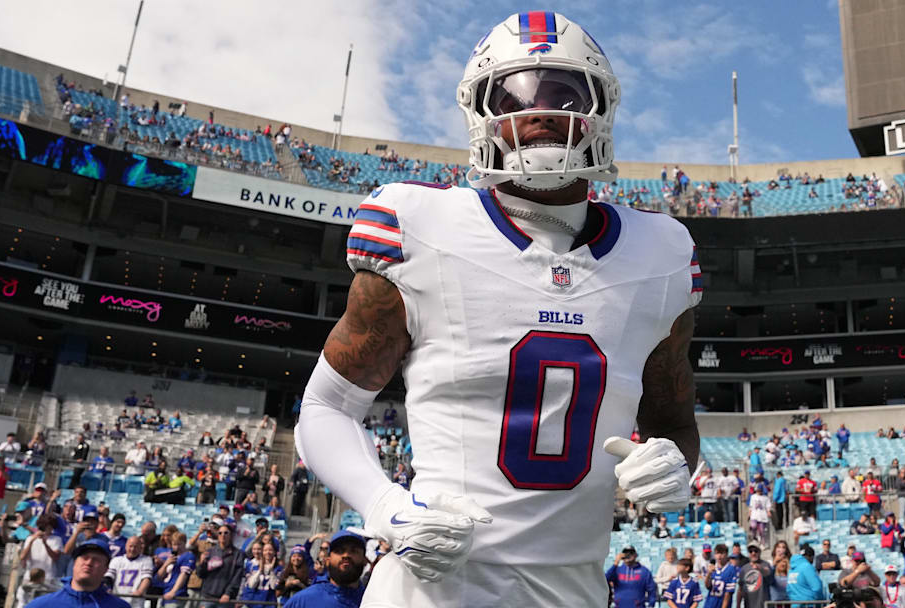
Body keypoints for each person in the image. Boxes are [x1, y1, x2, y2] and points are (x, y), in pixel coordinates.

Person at [295, 13, 700, 606]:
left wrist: (673, 465)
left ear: (600, 109)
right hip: (431, 591)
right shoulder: (419, 226)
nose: (537, 109)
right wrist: (386, 507)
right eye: (511, 93)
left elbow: (674, 425)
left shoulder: (661, 255)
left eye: (562, 91)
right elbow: (326, 405)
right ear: (480, 111)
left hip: (573, 591)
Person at [25, 537, 130, 608]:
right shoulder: (42, 605)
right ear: (74, 564)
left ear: (106, 568)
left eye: (96, 560)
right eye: (85, 558)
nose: (89, 563)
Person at [285, 530, 369, 608]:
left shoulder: (373, 602)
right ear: (327, 560)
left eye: (354, 551)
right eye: (339, 551)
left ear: (365, 560)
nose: (346, 555)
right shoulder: (303, 601)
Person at [195, 523, 245, 607]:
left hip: (225, 599)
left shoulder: (238, 554)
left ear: (231, 535)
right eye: (220, 533)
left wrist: (228, 593)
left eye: (226, 533)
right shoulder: (210, 551)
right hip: (207, 596)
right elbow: (200, 574)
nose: (223, 535)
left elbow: (237, 577)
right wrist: (202, 563)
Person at [105, 535, 153, 608]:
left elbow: (146, 578)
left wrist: (140, 591)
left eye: (136, 547)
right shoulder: (116, 560)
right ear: (126, 546)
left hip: (135, 602)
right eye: (130, 546)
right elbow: (109, 577)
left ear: (140, 548)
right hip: (117, 598)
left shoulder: (146, 560)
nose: (132, 549)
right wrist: (107, 588)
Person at [703, 544, 739, 608]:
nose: (719, 556)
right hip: (709, 604)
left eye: (722, 553)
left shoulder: (731, 569)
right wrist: (709, 574)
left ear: (726, 554)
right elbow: (707, 586)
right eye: (717, 553)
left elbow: (728, 593)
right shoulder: (712, 567)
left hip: (721, 603)